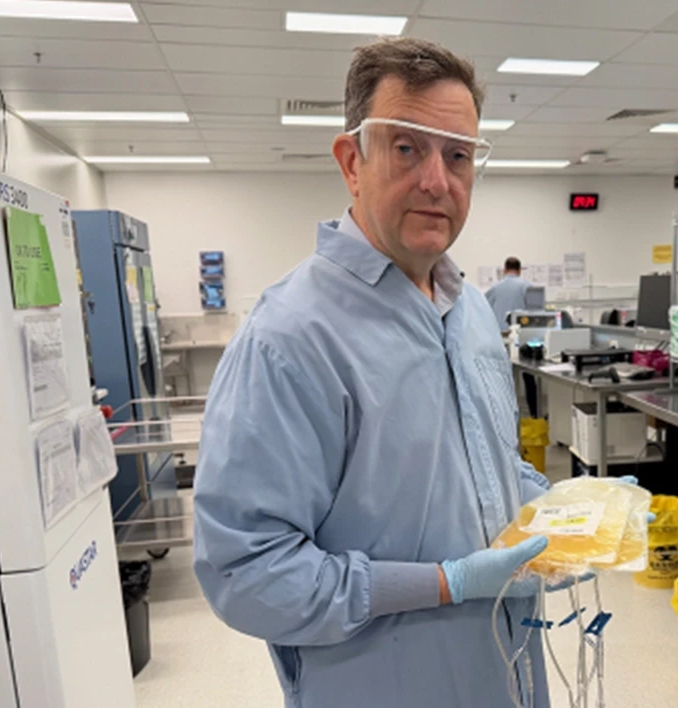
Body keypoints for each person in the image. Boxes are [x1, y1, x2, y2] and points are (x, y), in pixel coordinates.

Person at [192, 38, 570, 708]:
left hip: (507, 675)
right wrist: (445, 583)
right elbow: (244, 572)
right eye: (406, 147)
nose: (436, 179)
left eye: (457, 155)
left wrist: (565, 513)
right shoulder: (290, 338)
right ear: (351, 162)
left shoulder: (473, 313)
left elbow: (484, 470)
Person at [485, 256, 531, 332]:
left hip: (500, 334)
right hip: (521, 333)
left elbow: (485, 310)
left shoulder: (494, 288)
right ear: (520, 270)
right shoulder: (528, 287)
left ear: (504, 270)